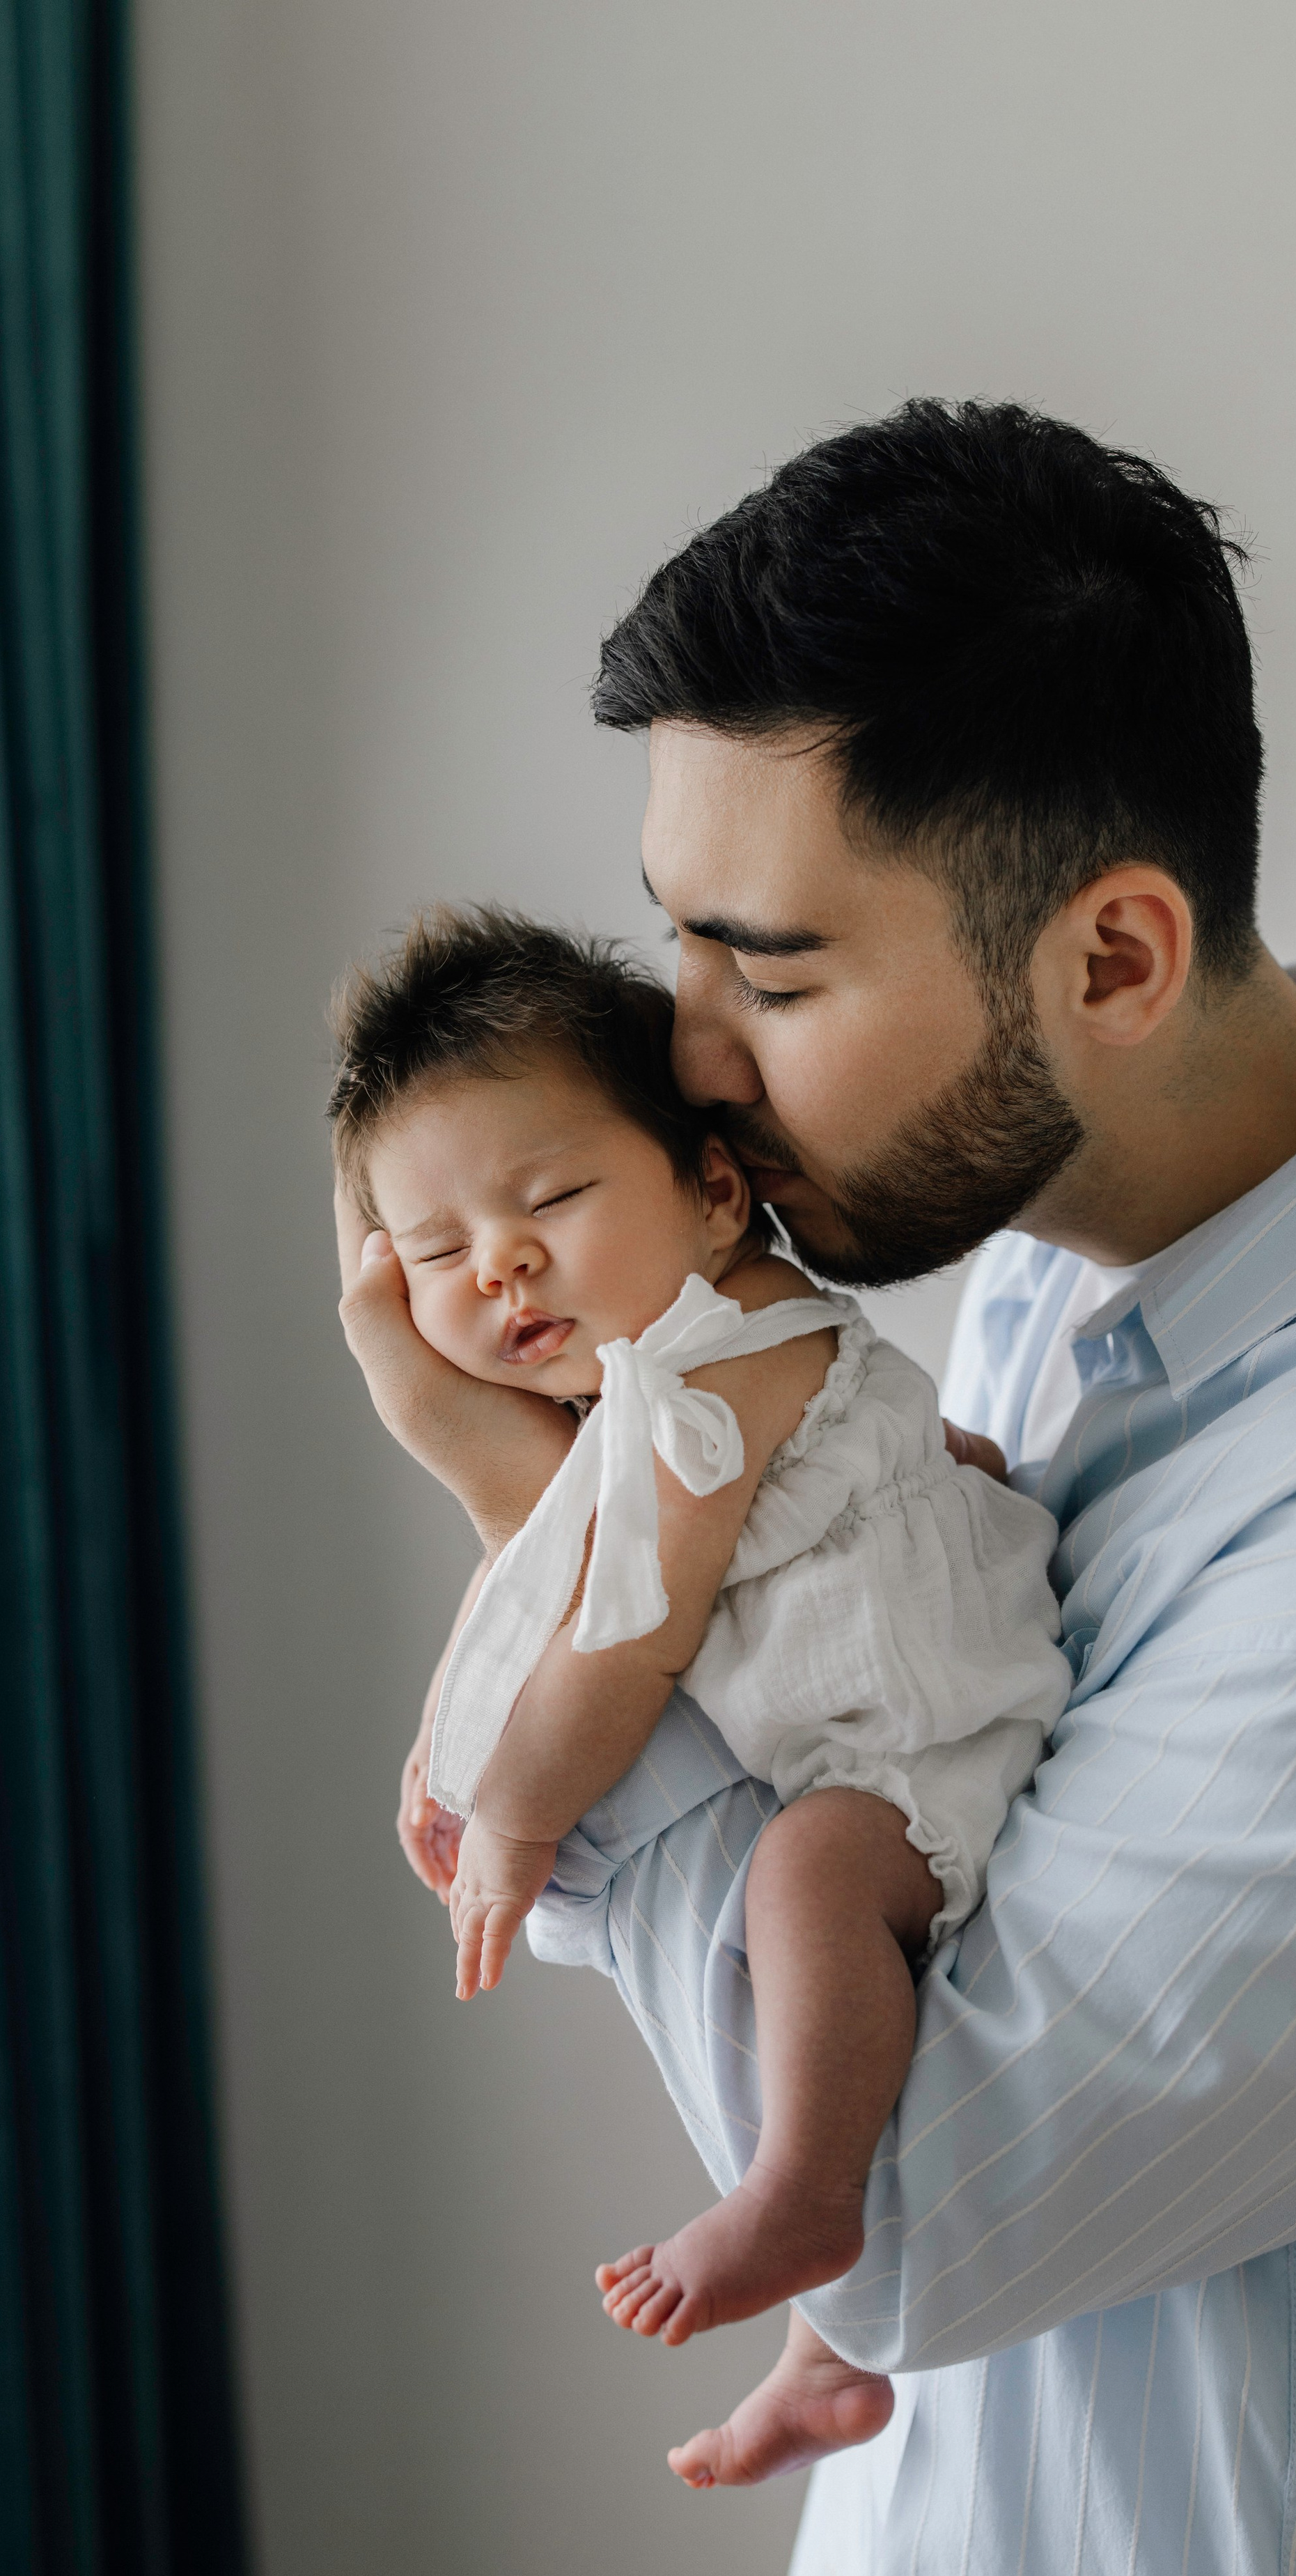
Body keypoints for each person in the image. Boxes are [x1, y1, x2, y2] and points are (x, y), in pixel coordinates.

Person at [338, 401, 1296, 2576]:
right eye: (679, 943)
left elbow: (900, 2212)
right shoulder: (1065, 1258)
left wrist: (535, 1507)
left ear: (1115, 958)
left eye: (775, 973)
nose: (687, 1057)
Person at [328, 906, 1068, 2488]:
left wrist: (514, 1814)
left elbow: (624, 1636)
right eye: (440, 1254)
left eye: (551, 1199)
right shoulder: (645, 1388)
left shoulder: (715, 1367)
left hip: (925, 1740)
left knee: (801, 1882)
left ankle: (802, 2196)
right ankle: (828, 2350)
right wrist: (451, 1721)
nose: (501, 1263)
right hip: (853, 1736)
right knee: (784, 1942)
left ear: (715, 1191)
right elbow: (541, 1571)